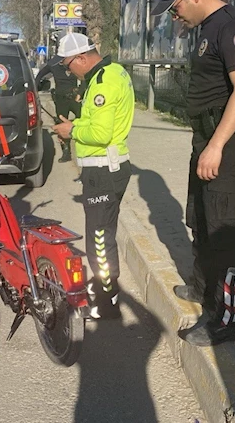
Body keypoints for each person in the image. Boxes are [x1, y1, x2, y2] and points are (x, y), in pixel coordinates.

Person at [150, 0, 235, 346]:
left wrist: (216, 146)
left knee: (224, 230)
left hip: (226, 145)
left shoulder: (233, 26)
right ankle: (202, 287)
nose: (174, 15)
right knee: (199, 217)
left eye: (175, 7)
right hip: (206, 139)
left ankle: (228, 320)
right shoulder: (206, 30)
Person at [51, 33, 135, 319]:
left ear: (82, 58)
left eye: (67, 65)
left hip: (103, 170)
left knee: (99, 239)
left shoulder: (103, 82)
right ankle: (105, 290)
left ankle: (106, 298)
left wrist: (70, 131)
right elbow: (97, 121)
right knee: (102, 234)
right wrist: (76, 122)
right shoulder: (111, 72)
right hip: (107, 168)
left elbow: (101, 134)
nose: (67, 70)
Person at [35, 59, 83, 162]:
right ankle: (66, 153)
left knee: (84, 119)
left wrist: (81, 92)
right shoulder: (53, 65)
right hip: (61, 100)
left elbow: (85, 77)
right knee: (61, 125)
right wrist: (35, 88)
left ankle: (85, 147)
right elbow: (40, 75)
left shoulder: (74, 63)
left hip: (74, 98)